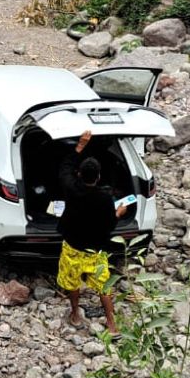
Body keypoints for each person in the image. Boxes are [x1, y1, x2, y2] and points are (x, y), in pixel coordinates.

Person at [56, 130, 127, 335]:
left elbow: (64, 168)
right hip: (95, 251)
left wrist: (80, 145)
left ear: (79, 174)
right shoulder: (104, 199)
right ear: (98, 177)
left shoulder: (71, 187)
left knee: (72, 281)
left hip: (72, 248)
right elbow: (109, 224)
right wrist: (119, 213)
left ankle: (75, 315)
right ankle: (112, 325)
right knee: (103, 286)